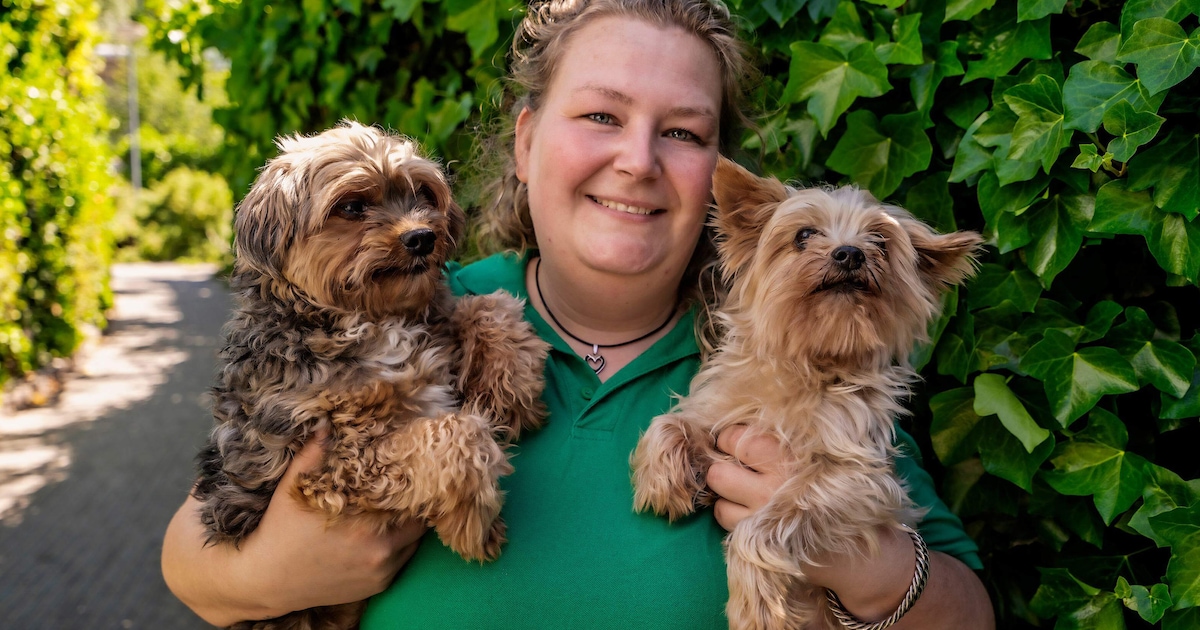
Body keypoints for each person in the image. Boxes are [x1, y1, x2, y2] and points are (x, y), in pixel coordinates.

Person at [161, 0, 996, 628]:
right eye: (601, 115)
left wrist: (862, 559)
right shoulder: (410, 313)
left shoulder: (790, 356)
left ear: (719, 175)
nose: (636, 161)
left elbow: (970, 612)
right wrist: (266, 576)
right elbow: (189, 551)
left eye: (681, 132)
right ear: (526, 143)